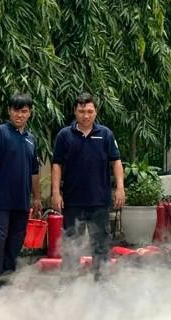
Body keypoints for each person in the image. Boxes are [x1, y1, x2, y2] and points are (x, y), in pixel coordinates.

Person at [52, 93, 126, 278]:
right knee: (71, 244)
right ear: (75, 111)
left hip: (99, 201)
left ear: (96, 112)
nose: (86, 115)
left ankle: (102, 282)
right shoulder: (64, 135)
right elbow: (57, 165)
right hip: (73, 201)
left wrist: (120, 187)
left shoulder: (106, 134)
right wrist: (55, 193)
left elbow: (116, 161)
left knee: (101, 245)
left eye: (90, 111)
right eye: (82, 111)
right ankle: (69, 282)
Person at [0, 93, 43, 294]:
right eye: (16, 110)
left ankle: (6, 278)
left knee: (16, 240)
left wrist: (37, 198)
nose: (19, 115)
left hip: (21, 201)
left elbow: (34, 172)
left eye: (24, 111)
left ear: (30, 113)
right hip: (0, 199)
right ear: (9, 111)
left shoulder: (31, 139)